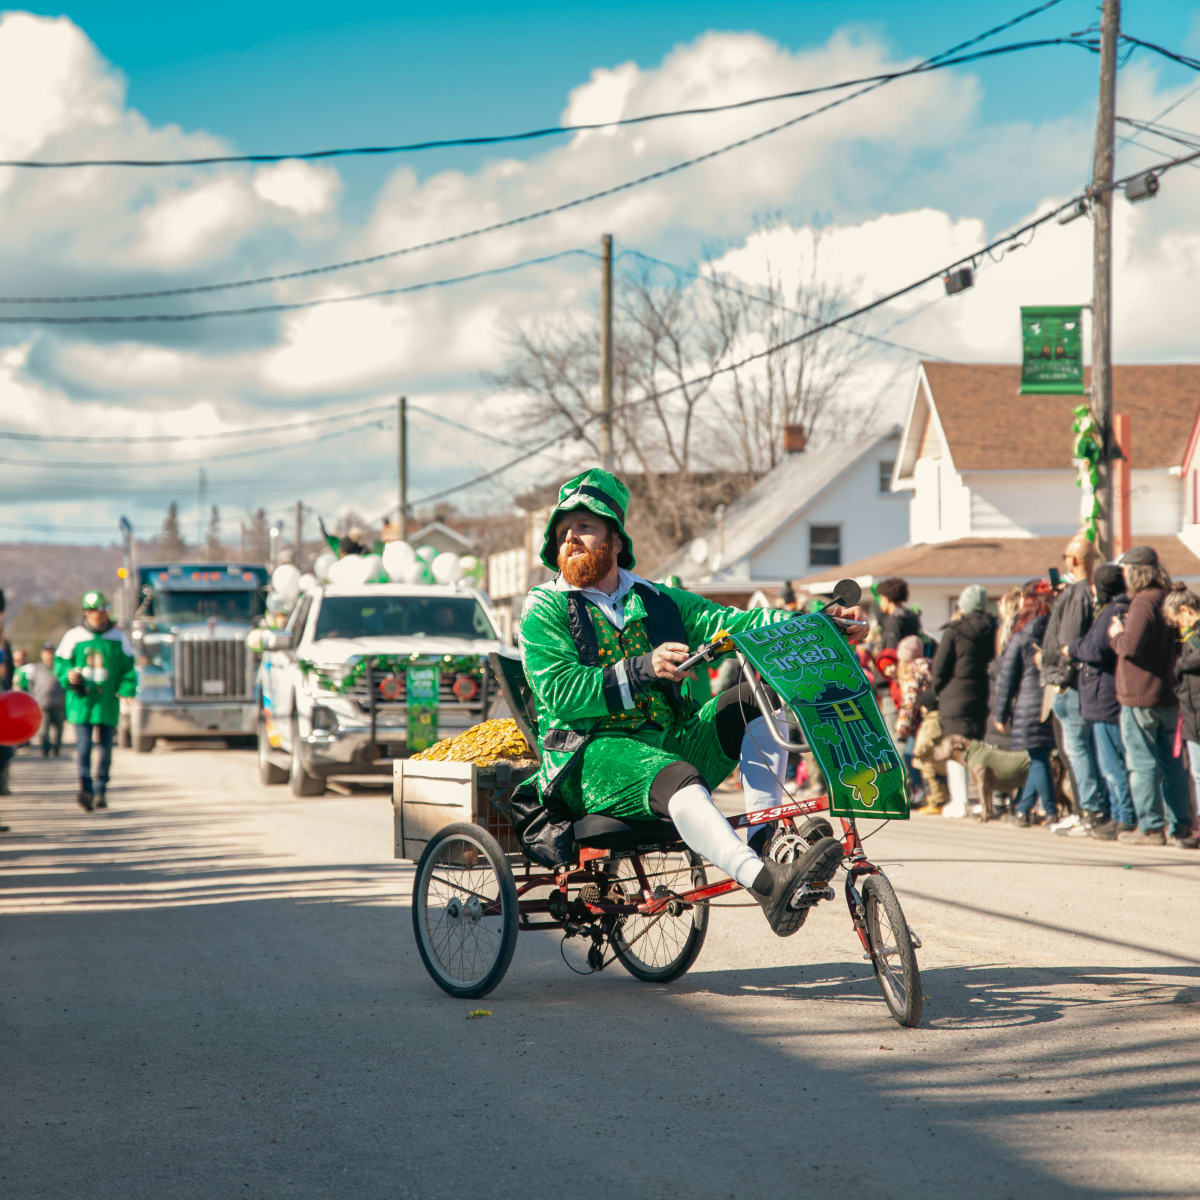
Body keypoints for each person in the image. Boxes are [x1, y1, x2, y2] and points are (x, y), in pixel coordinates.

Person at [520, 468, 864, 937]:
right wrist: (643, 667)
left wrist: (818, 624)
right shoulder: (546, 607)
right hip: (589, 756)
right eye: (563, 531)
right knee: (677, 778)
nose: (571, 538)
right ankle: (766, 884)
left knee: (753, 698)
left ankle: (765, 840)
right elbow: (560, 691)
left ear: (616, 540)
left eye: (584, 526)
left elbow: (739, 622)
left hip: (667, 741)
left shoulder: (659, 600)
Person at [1108, 547, 1195, 848]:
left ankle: (1151, 827)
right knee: (1173, 765)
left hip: (1140, 696)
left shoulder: (1144, 602)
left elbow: (1130, 646)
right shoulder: (1169, 598)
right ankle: (1180, 827)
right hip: (1168, 694)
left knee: (1143, 764)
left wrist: (1116, 634)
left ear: (1136, 572)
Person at [1041, 533, 1107, 835]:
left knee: (1077, 750)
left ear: (1075, 560)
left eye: (1067, 558)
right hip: (1074, 684)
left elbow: (1068, 643)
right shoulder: (1083, 592)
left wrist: (1061, 680)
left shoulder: (1078, 593)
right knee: (1076, 750)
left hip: (1068, 685)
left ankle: (1090, 811)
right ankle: (1086, 810)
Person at [1068, 565, 1135, 841]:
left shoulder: (1112, 611)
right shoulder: (1124, 607)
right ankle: (1121, 815)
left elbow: (1094, 649)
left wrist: (1072, 648)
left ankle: (1124, 817)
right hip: (1108, 694)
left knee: (1112, 763)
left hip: (1104, 696)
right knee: (1115, 760)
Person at [55, 592, 137, 812]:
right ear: (86, 612)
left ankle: (101, 788)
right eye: (94, 611)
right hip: (81, 702)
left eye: (103, 610)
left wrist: (127, 688)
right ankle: (85, 788)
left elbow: (129, 668)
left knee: (106, 749)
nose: (99, 615)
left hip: (106, 702)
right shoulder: (73, 636)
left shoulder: (118, 637)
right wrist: (68, 676)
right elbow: (60, 664)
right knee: (83, 748)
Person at [994, 584, 1058, 825]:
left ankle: (1050, 812)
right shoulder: (1056, 629)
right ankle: (1024, 809)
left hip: (1029, 704)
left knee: (1038, 758)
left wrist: (1000, 714)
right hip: (1051, 699)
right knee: (1039, 757)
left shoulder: (1022, 634)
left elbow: (1007, 677)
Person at [1163, 584, 1200, 842]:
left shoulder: (1195, 638)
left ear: (1186, 612)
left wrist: (1179, 666)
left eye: (1178, 622)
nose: (1179, 628)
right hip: (1192, 714)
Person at [17, 642, 66, 758]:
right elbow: (30, 685)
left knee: (58, 731)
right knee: (43, 732)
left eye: (51, 653)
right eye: (46, 653)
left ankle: (56, 750)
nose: (49, 655)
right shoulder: (36, 668)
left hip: (59, 704)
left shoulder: (60, 667)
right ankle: (45, 750)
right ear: (42, 654)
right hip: (42, 705)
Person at [876, 578, 922, 650]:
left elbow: (892, 650)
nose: (880, 602)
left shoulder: (894, 619)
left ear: (887, 598)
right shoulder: (911, 615)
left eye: (881, 598)